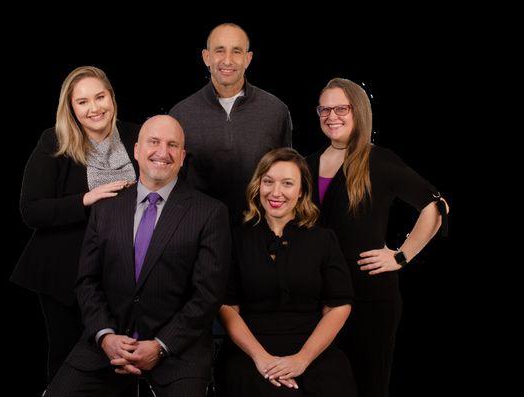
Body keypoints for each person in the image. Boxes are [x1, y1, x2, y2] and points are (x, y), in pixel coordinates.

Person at [45, 115, 231, 397]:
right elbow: (87, 282)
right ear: (136, 150)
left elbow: (207, 295)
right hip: (108, 343)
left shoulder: (210, 213)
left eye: (172, 145)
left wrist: (160, 345)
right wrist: (105, 336)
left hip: (178, 349)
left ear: (182, 157)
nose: (162, 152)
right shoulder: (106, 208)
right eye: (153, 142)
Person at [305, 78, 449, 397]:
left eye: (341, 108)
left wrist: (400, 256)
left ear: (358, 111)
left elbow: (435, 206)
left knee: (368, 386)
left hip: (369, 297)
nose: (332, 116)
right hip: (319, 298)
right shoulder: (307, 163)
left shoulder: (378, 160)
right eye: (324, 109)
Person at [11, 66, 139, 384]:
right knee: (70, 359)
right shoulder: (55, 140)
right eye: (82, 102)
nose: (94, 108)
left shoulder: (139, 135)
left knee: (119, 361)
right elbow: (31, 210)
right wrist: (86, 199)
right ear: (70, 107)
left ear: (112, 96)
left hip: (123, 272)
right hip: (66, 271)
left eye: (100, 97)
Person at [216, 147, 357, 396]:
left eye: (287, 183)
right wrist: (263, 360)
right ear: (258, 185)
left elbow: (338, 305)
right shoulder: (236, 238)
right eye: (268, 182)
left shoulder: (323, 239)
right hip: (251, 352)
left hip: (312, 350)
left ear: (302, 191)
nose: (276, 192)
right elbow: (227, 307)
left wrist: (302, 359)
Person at [169, 22, 292, 225]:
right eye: (219, 50)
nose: (227, 60)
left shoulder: (276, 111)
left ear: (248, 59)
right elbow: (173, 183)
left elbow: (288, 176)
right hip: (198, 231)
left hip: (260, 228)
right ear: (206, 57)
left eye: (236, 51)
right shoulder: (180, 114)